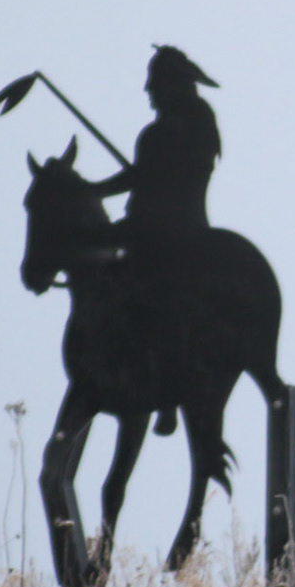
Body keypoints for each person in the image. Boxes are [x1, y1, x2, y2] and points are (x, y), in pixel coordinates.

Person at [90, 45, 225, 435]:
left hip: (163, 229)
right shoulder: (183, 129)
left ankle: (156, 380)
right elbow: (141, 177)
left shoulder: (170, 131)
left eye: (154, 83)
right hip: (159, 223)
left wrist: (91, 191)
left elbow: (139, 179)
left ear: (170, 85)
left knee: (131, 291)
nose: (148, 91)